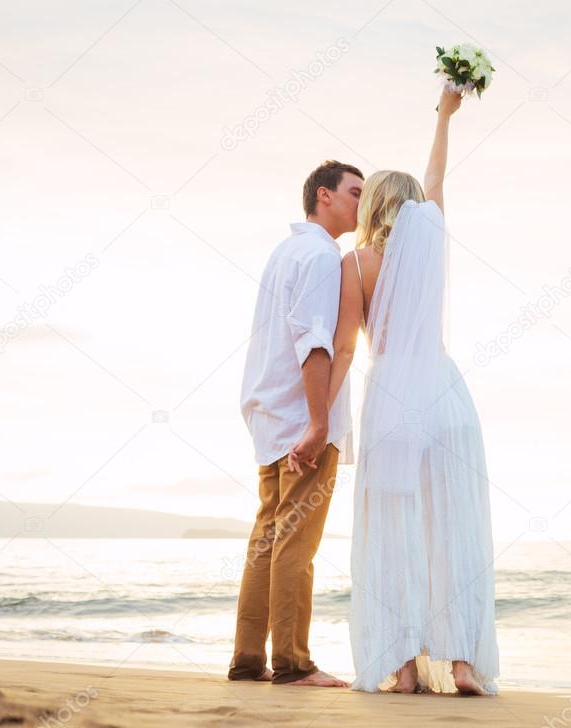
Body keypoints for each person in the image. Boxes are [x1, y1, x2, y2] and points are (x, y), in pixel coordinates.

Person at [299, 84, 499, 695]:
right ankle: (462, 661)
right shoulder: (432, 236)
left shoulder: (355, 265)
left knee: (393, 530)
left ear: (373, 205)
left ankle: (403, 666)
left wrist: (319, 421)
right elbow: (437, 175)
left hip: (391, 401)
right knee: (453, 528)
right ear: (412, 205)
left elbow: (346, 347)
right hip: (445, 395)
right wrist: (444, 115)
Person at [230, 160, 363, 686]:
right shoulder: (321, 257)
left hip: (267, 413)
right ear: (323, 196)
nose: (361, 200)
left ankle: (247, 659)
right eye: (354, 191)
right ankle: (292, 663)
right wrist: (318, 422)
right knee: (296, 544)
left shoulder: (285, 252)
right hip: (300, 418)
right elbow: (314, 342)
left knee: (267, 538)